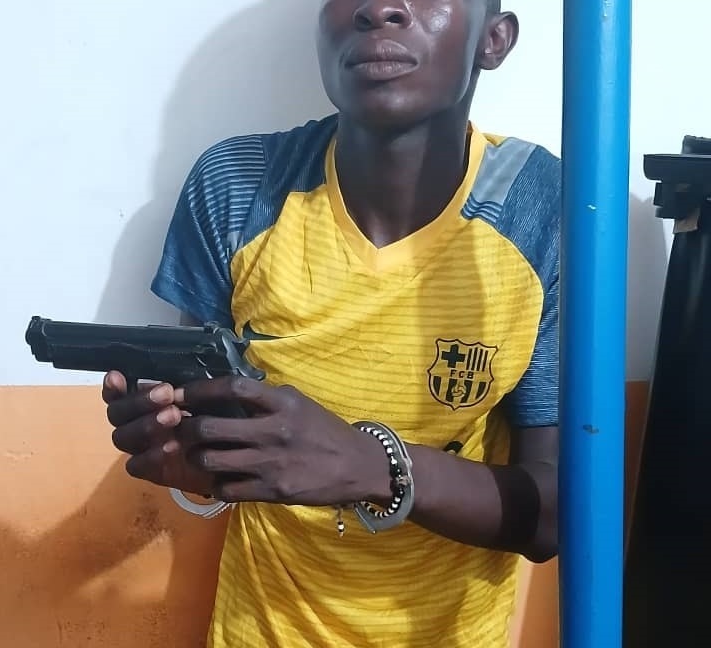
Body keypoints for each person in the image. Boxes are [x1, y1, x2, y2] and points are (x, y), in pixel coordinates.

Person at [104, 1, 560, 646]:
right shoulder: (239, 186)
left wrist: (373, 465)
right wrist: (192, 458)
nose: (381, 7)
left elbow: (554, 514)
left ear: (494, 40)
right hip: (259, 630)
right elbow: (211, 438)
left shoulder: (541, 208)